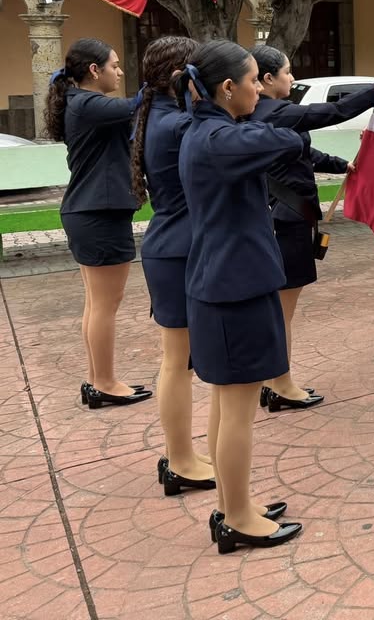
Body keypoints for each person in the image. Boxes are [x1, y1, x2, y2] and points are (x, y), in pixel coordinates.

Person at [177, 40, 305, 554]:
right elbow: (287, 141)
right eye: (254, 81)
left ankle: (233, 503)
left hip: (226, 283)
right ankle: (237, 519)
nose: (260, 89)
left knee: (227, 406)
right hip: (234, 289)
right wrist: (281, 119)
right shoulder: (219, 139)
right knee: (237, 412)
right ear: (227, 88)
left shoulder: (209, 132)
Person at [248, 46, 374, 413]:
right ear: (267, 79)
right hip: (285, 221)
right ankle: (281, 385)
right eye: (287, 72)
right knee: (282, 311)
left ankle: (273, 382)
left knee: (279, 309)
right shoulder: (272, 111)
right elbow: (335, 111)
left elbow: (301, 153)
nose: (292, 79)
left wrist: (340, 165)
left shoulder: (264, 113)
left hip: (285, 218)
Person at [48, 38, 151, 409]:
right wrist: (162, 81)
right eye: (115, 65)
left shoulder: (81, 103)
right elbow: (136, 104)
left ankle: (98, 380)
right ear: (95, 70)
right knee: (105, 304)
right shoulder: (88, 103)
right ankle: (105, 382)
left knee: (97, 304)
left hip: (89, 212)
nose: (119, 72)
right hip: (98, 213)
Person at [133, 36, 215, 496]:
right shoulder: (180, 123)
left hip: (170, 245)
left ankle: (181, 453)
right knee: (177, 362)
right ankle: (181, 460)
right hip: (178, 249)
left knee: (178, 361)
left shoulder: (160, 115)